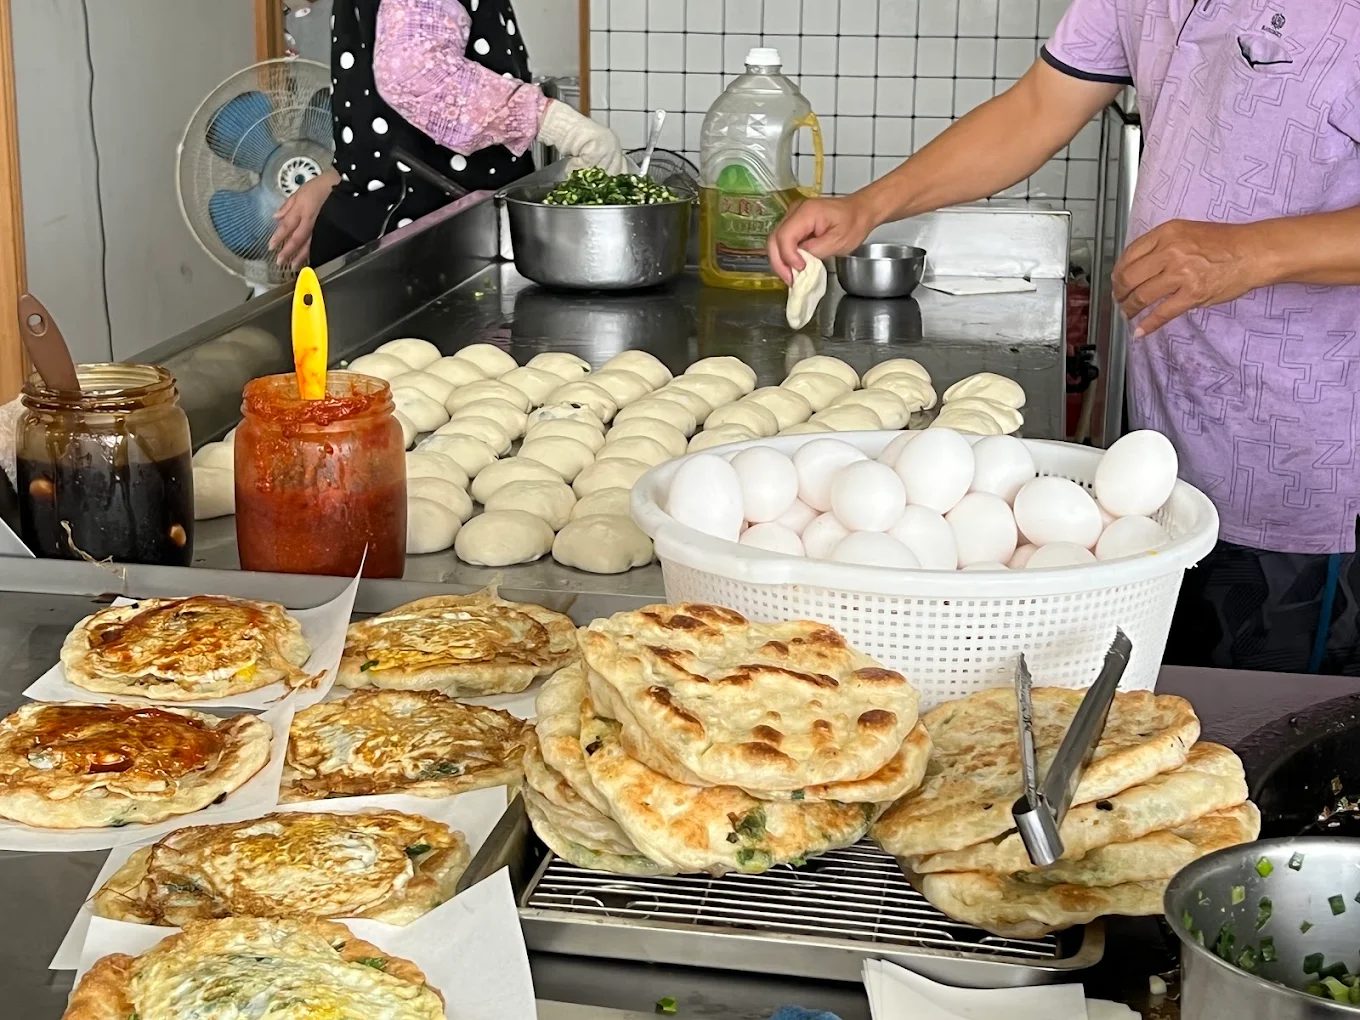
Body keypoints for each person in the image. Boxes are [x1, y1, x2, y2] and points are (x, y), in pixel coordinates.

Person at [770, 2, 1360, 676]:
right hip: (1171, 431)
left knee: (1275, 713)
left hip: (1308, 465)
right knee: (1165, 696)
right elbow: (1037, 108)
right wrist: (868, 206)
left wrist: (1252, 252)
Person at [270, 0, 628, 269]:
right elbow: (417, 75)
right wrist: (561, 127)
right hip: (411, 249)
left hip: (415, 235)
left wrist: (343, 172)